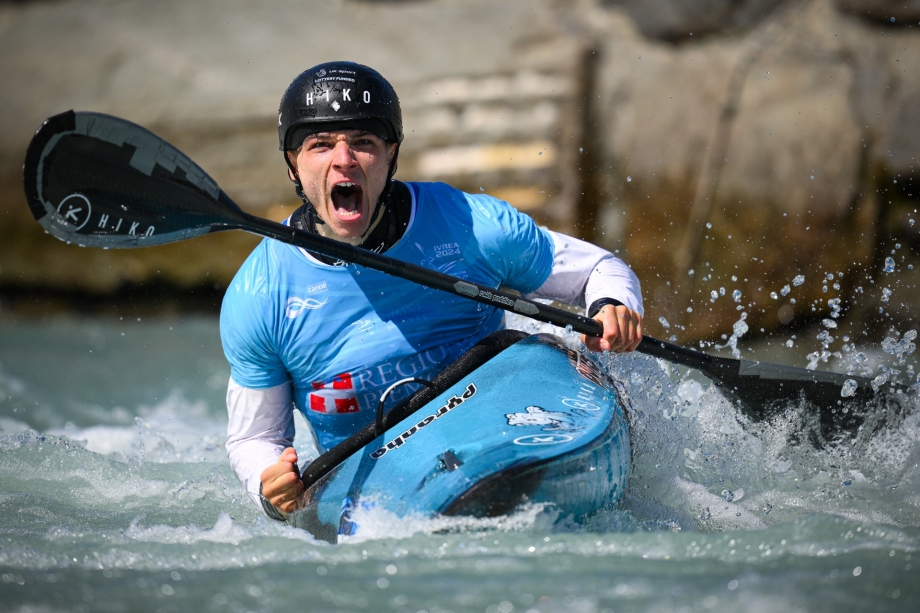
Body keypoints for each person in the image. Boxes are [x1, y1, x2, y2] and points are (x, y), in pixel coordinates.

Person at [220, 61, 644, 521]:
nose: (343, 160)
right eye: (320, 145)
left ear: (390, 155)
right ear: (293, 165)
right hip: (372, 478)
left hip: (500, 428)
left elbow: (596, 270)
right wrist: (268, 480)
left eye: (363, 142)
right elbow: (253, 439)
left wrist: (612, 304)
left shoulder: (472, 227)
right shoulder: (260, 294)